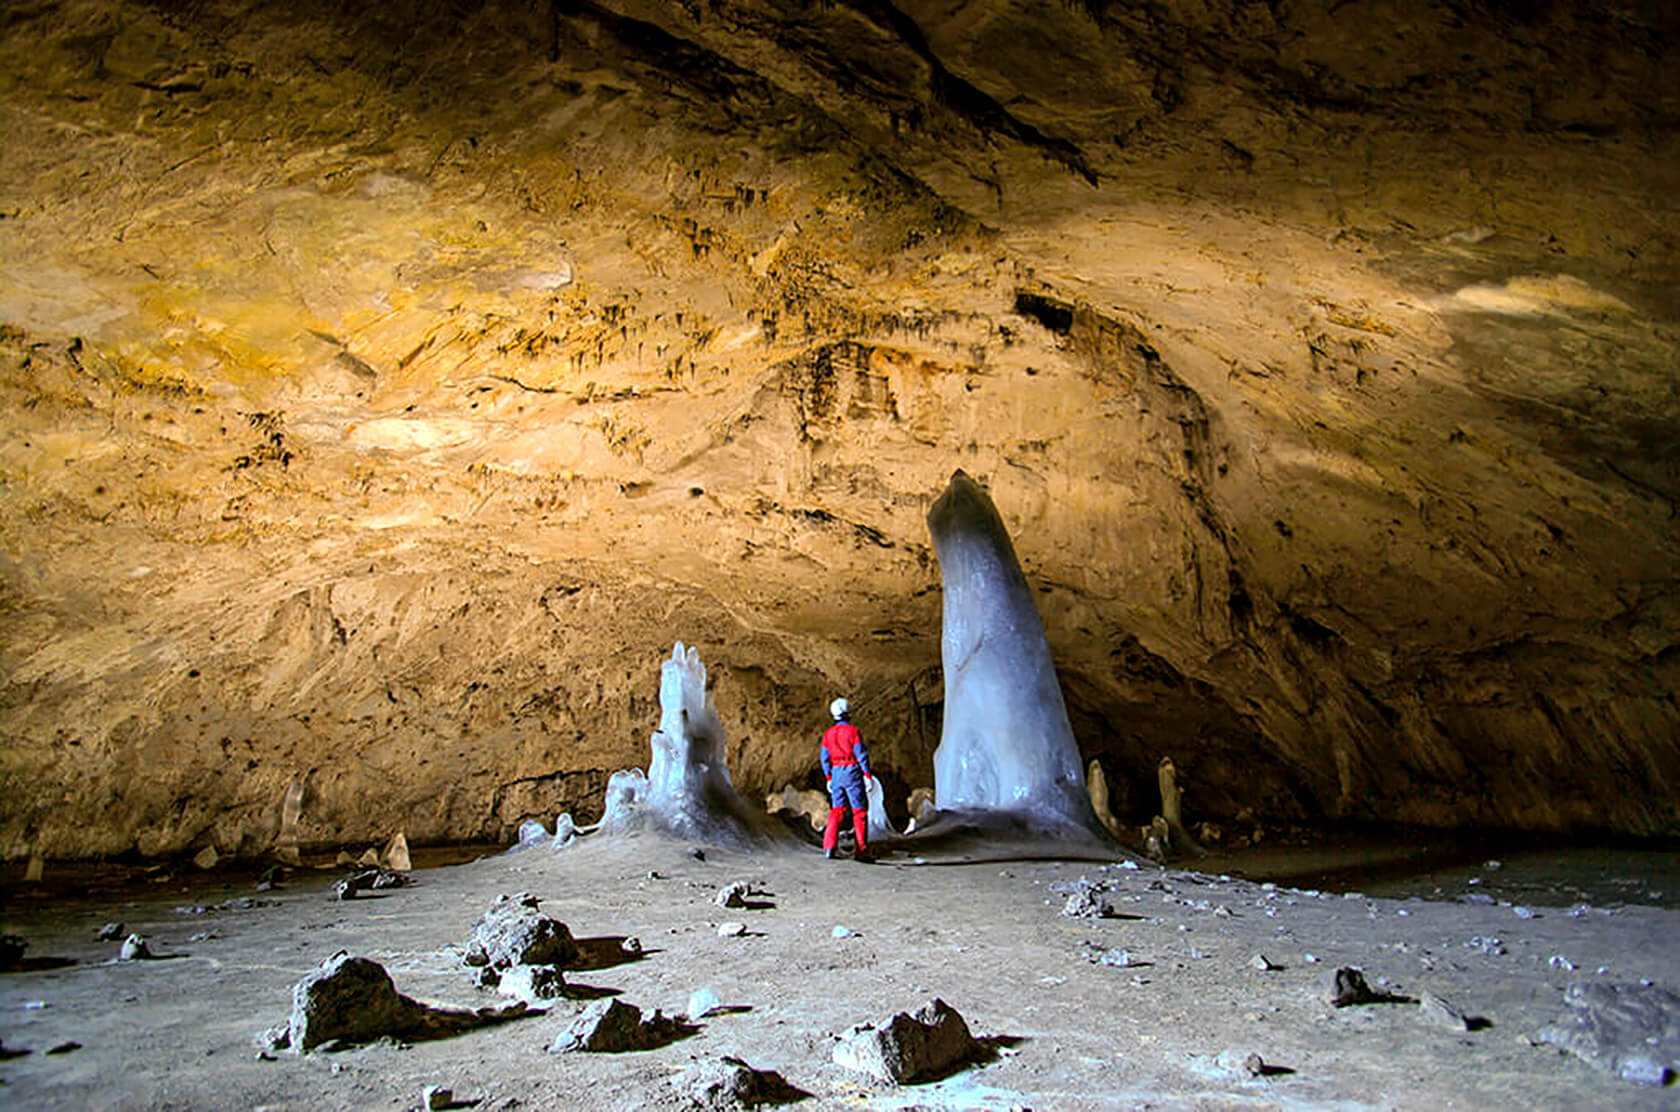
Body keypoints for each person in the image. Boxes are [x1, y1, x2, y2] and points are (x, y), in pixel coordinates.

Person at [819, 697, 874, 861]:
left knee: (837, 810)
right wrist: (867, 775)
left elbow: (824, 758)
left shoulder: (828, 735)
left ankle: (829, 846)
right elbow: (861, 755)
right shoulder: (853, 732)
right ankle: (861, 851)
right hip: (852, 771)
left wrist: (829, 777)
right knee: (859, 812)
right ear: (848, 713)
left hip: (835, 772)